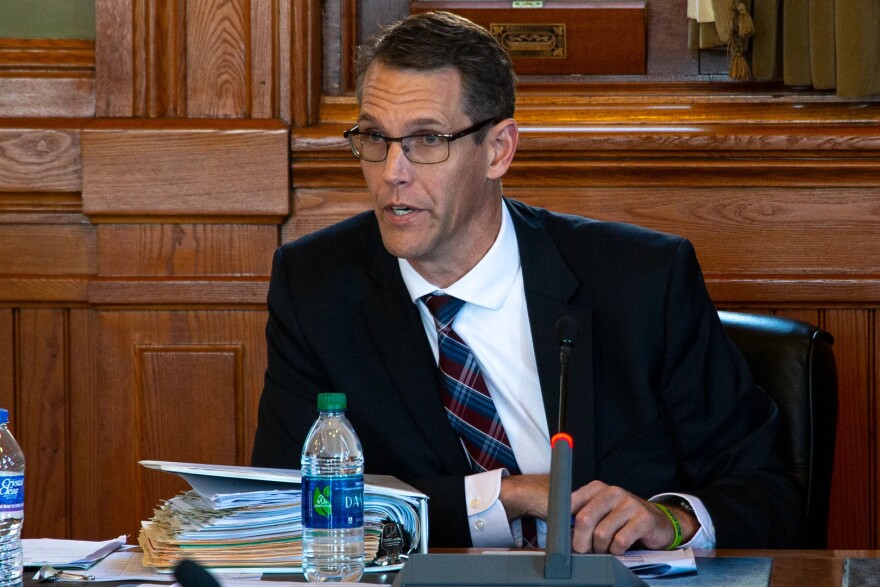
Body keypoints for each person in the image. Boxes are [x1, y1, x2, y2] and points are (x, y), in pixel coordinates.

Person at [252, 10, 801, 553]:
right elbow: (288, 508)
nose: (393, 171)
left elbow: (767, 491)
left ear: (498, 150)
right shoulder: (317, 286)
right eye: (376, 137)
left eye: (426, 140)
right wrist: (503, 497)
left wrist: (671, 521)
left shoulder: (642, 283)